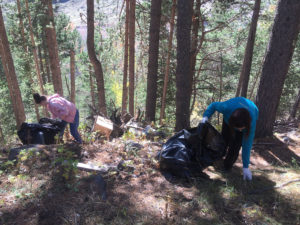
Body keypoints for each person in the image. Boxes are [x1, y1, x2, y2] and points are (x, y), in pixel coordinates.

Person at [200, 97, 259, 181]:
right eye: (238, 128)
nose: (240, 130)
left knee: (236, 145)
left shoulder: (251, 123)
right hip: (231, 117)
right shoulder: (226, 107)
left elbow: (247, 145)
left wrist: (246, 167)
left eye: (242, 129)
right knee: (224, 140)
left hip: (250, 113)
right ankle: (217, 160)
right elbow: (213, 105)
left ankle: (227, 167)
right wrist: (205, 117)